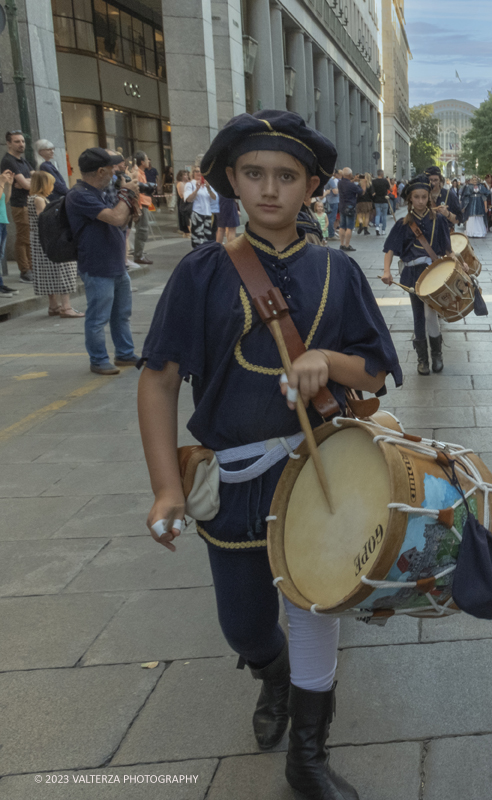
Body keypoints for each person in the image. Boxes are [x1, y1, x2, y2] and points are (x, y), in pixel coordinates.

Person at [138, 110, 400, 800]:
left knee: (315, 607)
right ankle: (270, 673)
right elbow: (159, 379)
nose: (270, 190)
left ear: (312, 185)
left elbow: (373, 372)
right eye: (254, 174)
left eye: (287, 176)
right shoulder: (201, 274)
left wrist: (328, 361)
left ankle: (308, 759)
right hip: (234, 483)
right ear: (232, 178)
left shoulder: (339, 271)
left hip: (313, 474)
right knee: (246, 624)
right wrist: (167, 488)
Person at [65, 147, 138, 375]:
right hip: (97, 267)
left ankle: (125, 353)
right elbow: (116, 217)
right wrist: (126, 195)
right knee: (98, 318)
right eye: (112, 167)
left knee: (121, 314)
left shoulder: (104, 191)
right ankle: (98, 359)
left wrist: (130, 203)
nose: (116, 171)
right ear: (100, 171)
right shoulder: (80, 195)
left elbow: (123, 218)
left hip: (116, 264)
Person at [382, 175, 450, 376]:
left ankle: (437, 355)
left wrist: (458, 261)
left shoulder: (439, 221)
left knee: (430, 314)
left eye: (424, 197)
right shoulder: (403, 224)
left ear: (429, 197)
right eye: (416, 197)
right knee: (418, 315)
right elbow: (390, 250)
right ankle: (423, 359)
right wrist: (387, 271)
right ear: (410, 199)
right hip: (412, 274)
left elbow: (447, 248)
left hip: (433, 273)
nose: (420, 201)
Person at [28, 171, 82, 317]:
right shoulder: (39, 200)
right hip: (48, 237)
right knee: (64, 268)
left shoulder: (31, 198)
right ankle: (66, 307)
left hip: (38, 239)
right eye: (50, 184)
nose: (52, 187)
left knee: (47, 273)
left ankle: (53, 306)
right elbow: (43, 218)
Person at [3, 131, 34, 282]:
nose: (21, 144)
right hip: (19, 204)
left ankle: (32, 267)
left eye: (22, 141)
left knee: (30, 236)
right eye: (17, 141)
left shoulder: (23, 161)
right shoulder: (9, 161)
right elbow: (26, 184)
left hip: (30, 203)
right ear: (9, 143)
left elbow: (38, 180)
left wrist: (27, 183)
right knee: (23, 237)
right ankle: (25, 270)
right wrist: (26, 183)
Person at [185, 167, 218, 249]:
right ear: (193, 173)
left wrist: (208, 188)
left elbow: (214, 197)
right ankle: (197, 255)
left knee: (208, 237)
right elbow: (188, 199)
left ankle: (205, 255)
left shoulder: (207, 185)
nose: (199, 173)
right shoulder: (190, 184)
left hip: (208, 214)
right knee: (197, 238)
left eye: (201, 172)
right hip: (197, 213)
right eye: (197, 171)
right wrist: (196, 189)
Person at [0, 168, 19, 297]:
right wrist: (1, 182)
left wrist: (8, 185)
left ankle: (1, 285)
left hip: (2, 221)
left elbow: (5, 200)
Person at [337, 168, 360, 251]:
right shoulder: (352, 185)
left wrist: (353, 180)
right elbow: (360, 191)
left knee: (342, 226)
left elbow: (347, 184)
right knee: (349, 227)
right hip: (350, 206)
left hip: (342, 206)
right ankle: (347, 245)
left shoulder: (340, 183)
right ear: (350, 175)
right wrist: (362, 184)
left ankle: (341, 244)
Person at [371, 170, 391, 235]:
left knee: (378, 214)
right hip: (385, 200)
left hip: (377, 200)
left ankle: (377, 227)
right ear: (382, 174)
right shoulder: (385, 181)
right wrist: (388, 181)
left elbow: (372, 191)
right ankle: (383, 230)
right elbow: (391, 189)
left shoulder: (373, 181)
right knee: (384, 216)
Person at [174, 170, 192, 238]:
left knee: (188, 217)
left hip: (188, 201)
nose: (186, 176)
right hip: (183, 202)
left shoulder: (188, 183)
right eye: (184, 175)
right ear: (181, 176)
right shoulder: (180, 183)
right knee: (185, 217)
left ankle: (188, 231)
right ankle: (187, 232)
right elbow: (181, 195)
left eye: (187, 175)